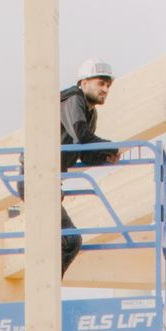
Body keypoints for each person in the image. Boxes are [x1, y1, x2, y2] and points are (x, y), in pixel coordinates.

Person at [58, 58, 117, 273]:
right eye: (101, 83)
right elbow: (81, 135)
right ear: (83, 83)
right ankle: (46, 297)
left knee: (65, 241)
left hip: (49, 182)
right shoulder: (73, 98)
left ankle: (46, 295)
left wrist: (104, 157)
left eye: (108, 85)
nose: (105, 89)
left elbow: (82, 152)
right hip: (36, 177)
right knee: (70, 241)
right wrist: (111, 146)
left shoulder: (91, 113)